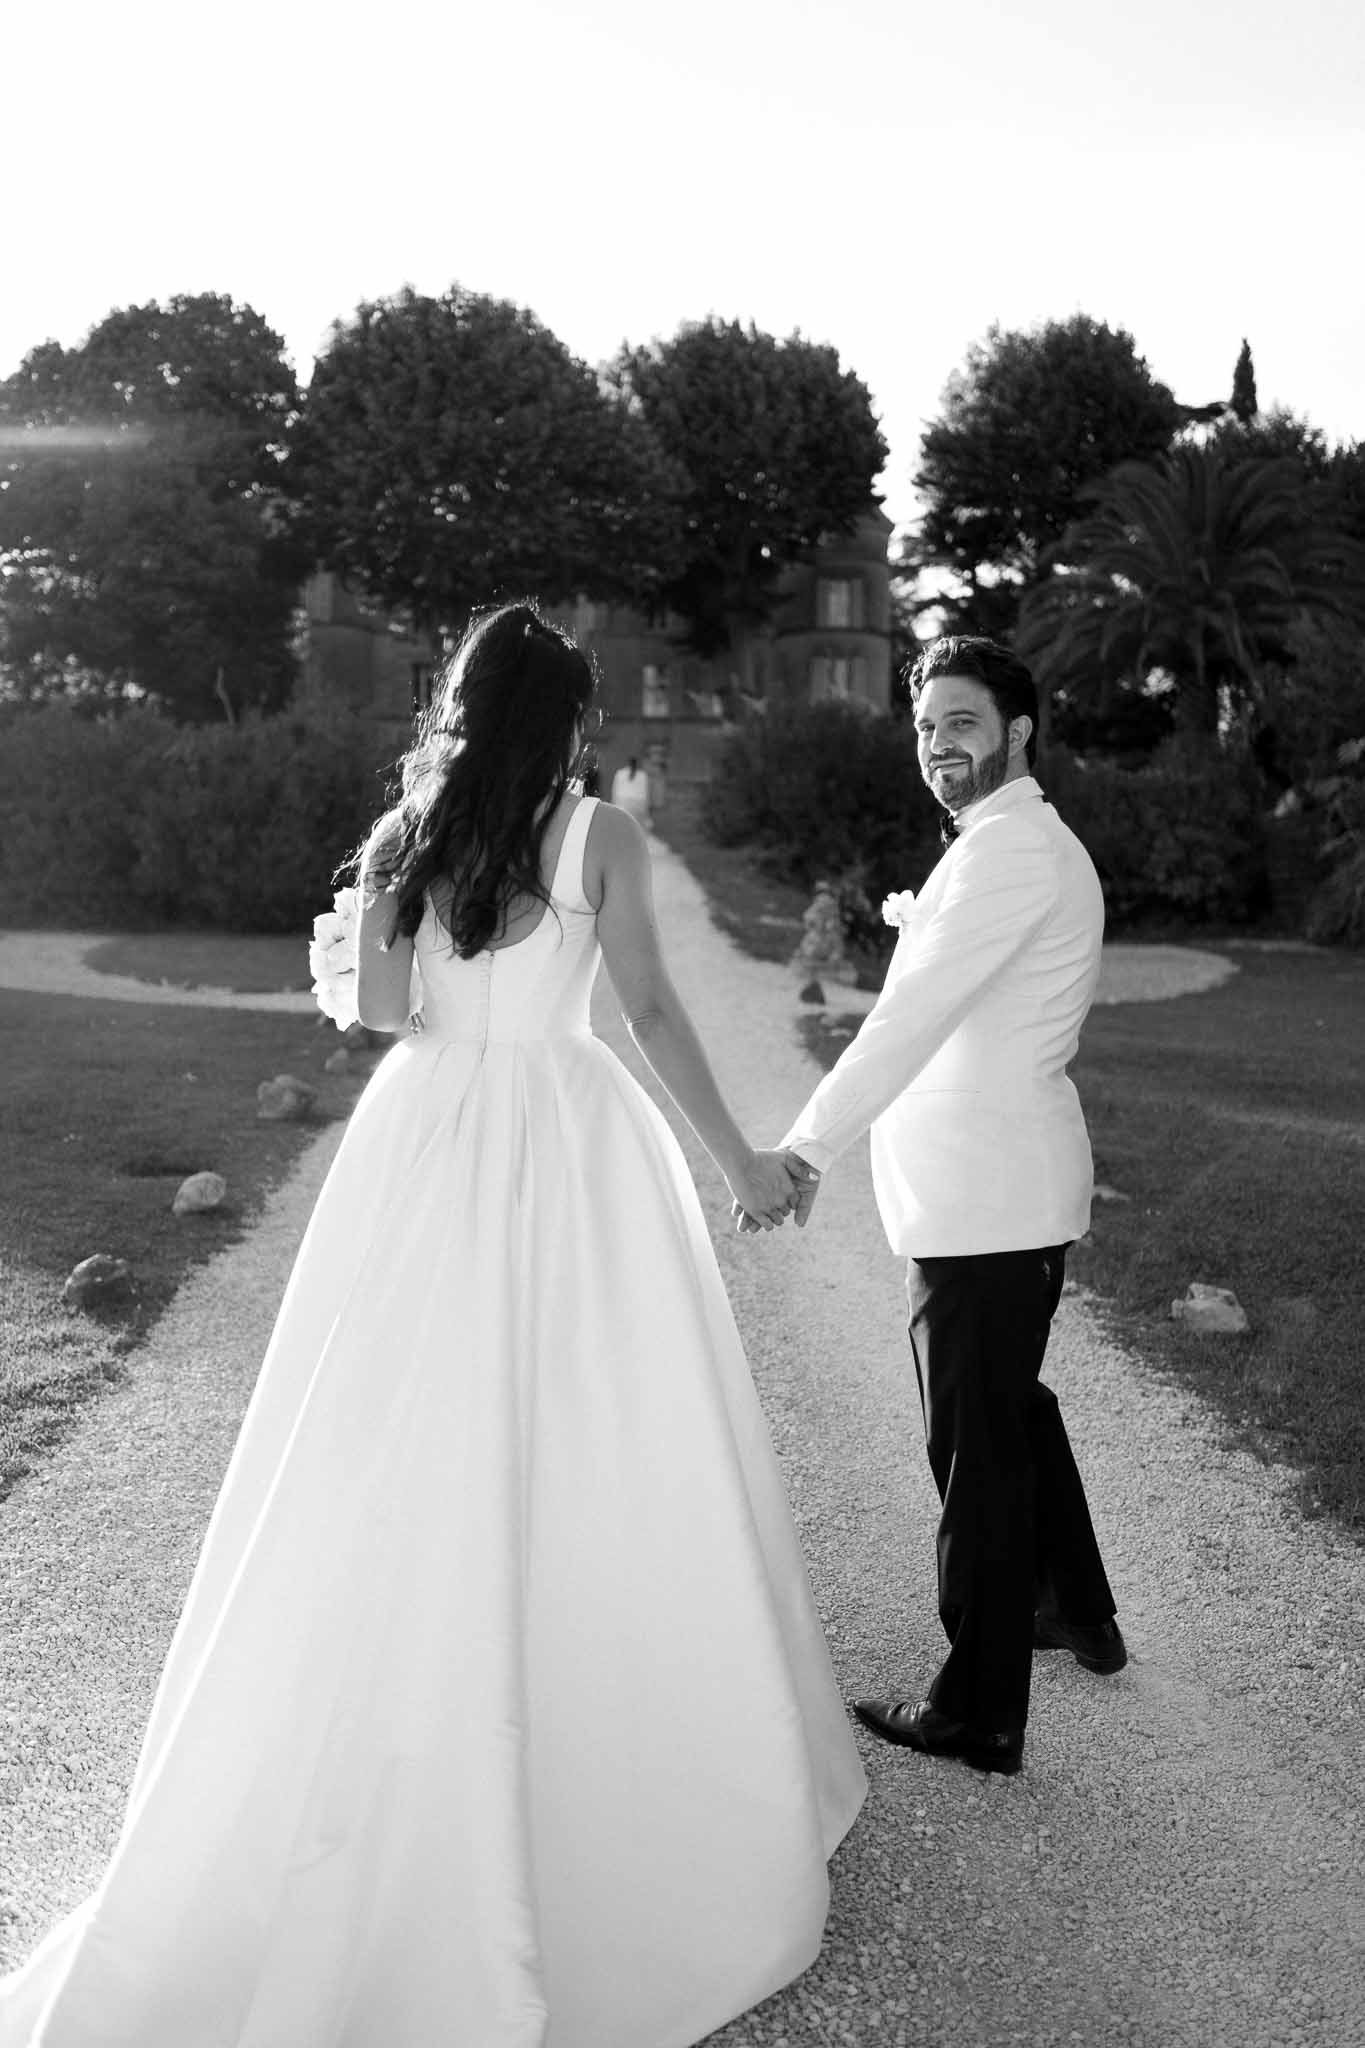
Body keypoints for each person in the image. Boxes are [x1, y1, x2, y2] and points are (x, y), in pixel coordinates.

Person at [0, 605, 865, 2047]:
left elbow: (390, 1011)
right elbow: (649, 1008)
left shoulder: (410, 834)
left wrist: (384, 938)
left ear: (462, 708)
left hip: (424, 1130)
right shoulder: (598, 834)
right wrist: (739, 1162)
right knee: (598, 1411)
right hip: (567, 1126)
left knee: (389, 1407)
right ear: (569, 718)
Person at [750, 636, 1124, 1776]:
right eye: (924, 727)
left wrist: (805, 1146)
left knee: (973, 1449)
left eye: (960, 722)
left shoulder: (1010, 854)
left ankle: (976, 1712)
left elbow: (907, 1020)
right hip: (992, 1195)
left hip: (987, 1199)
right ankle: (1076, 1612)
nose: (937, 745)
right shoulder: (1001, 844)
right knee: (1011, 1413)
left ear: (1018, 731)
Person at [609, 753, 651, 827]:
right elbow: (645, 796)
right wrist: (646, 814)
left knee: (622, 825)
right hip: (637, 806)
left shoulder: (620, 773)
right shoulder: (643, 775)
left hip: (622, 804)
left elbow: (614, 793)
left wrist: (613, 806)